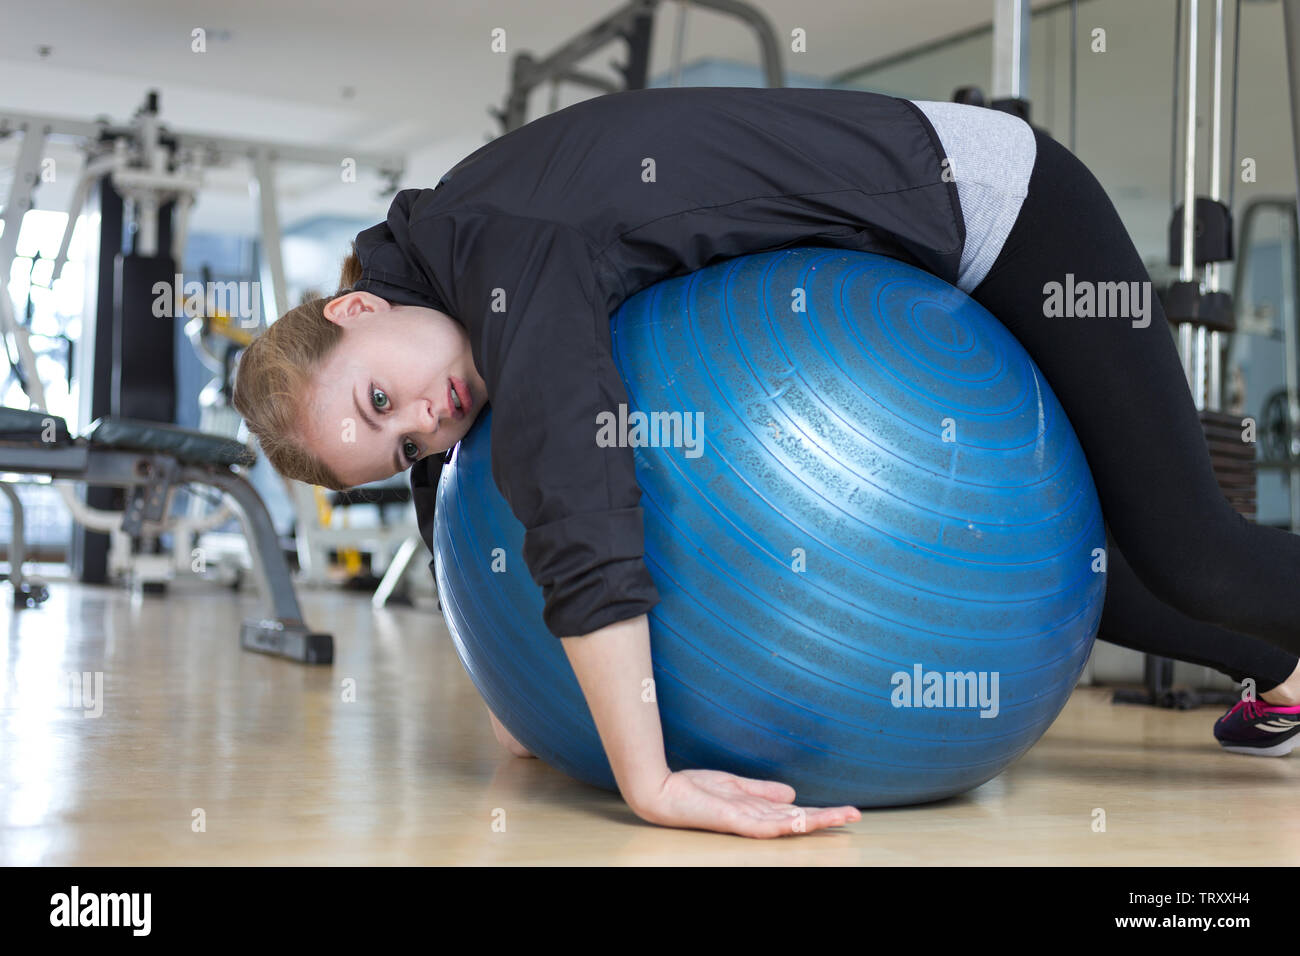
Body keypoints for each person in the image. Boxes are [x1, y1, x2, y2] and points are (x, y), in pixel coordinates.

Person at [232, 86, 1300, 839]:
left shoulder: (500, 254)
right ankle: (1286, 667)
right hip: (899, 267)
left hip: (994, 207)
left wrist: (645, 777)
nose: (427, 416)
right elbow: (445, 482)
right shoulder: (432, 288)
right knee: (1053, 569)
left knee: (1187, 545)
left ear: (359, 305)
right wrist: (510, 679)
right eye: (398, 439)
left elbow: (578, 477)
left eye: (381, 396)